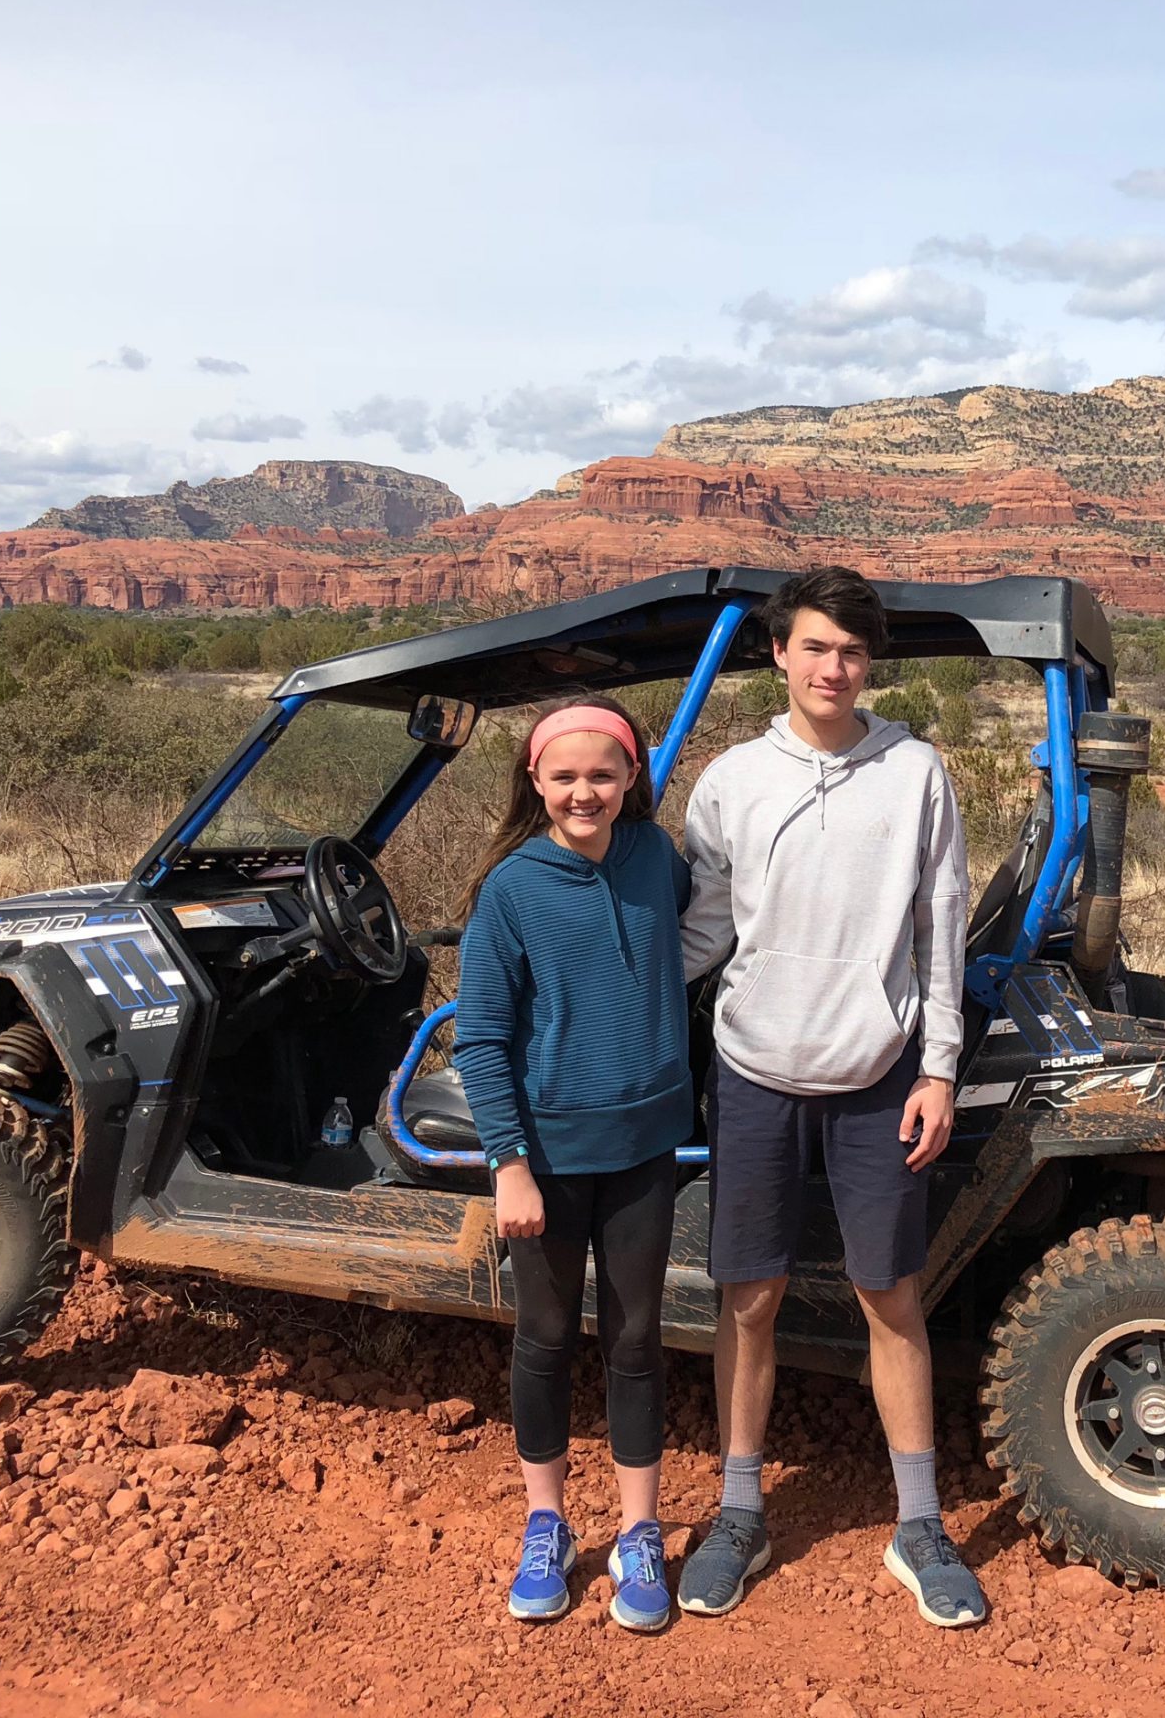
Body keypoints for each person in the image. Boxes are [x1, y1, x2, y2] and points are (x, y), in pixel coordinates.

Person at [674, 565, 987, 1628]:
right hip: (753, 1071)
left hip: (878, 1077)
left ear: (869, 663)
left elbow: (939, 927)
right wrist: (599, 983)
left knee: (889, 1296)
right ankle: (739, 1514)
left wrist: (938, 1067)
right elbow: (705, 929)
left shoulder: (915, 771)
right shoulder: (731, 780)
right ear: (780, 653)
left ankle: (919, 1525)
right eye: (815, 646)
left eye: (852, 651)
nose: (833, 668)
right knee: (749, 1298)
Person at [452, 692, 692, 1633]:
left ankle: (638, 1533)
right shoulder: (511, 890)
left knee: (635, 1342)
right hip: (547, 1159)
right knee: (546, 1336)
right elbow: (481, 1039)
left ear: (633, 776)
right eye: (564, 776)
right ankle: (546, 1523)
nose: (583, 792)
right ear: (535, 780)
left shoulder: (657, 858)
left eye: (602, 773)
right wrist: (507, 1163)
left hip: (643, 1150)